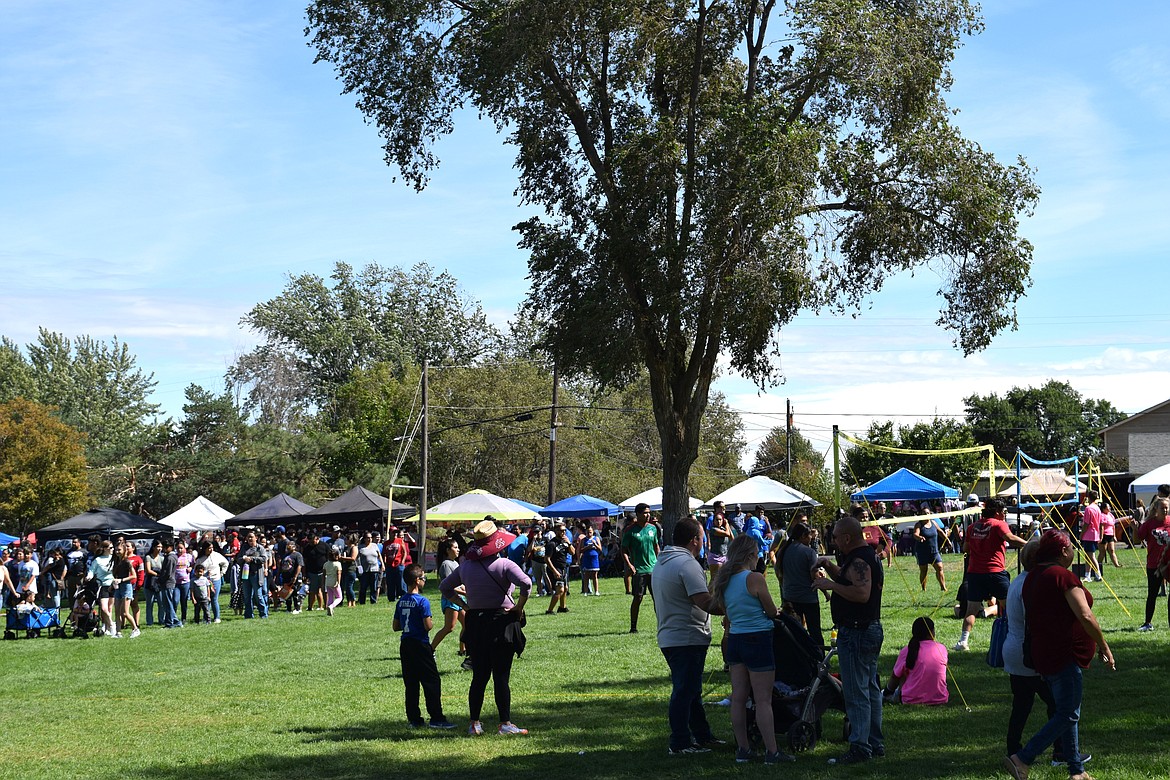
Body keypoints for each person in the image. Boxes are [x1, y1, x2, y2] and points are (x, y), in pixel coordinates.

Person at [1003, 529, 1115, 780]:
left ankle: (1077, 771)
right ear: (1064, 551)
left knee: (1066, 709)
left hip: (1042, 652)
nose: (1074, 552)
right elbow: (1085, 615)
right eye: (1072, 548)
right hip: (1063, 653)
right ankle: (1023, 758)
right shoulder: (1061, 576)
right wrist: (1104, 646)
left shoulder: (1033, 577)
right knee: (1068, 713)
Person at [439, 518, 531, 737]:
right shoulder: (505, 564)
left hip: (477, 622)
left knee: (479, 677)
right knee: (501, 676)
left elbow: (445, 587)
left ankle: (474, 723)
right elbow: (526, 584)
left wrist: (465, 606)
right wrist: (519, 607)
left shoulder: (466, 566)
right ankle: (505, 723)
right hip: (501, 622)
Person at [710, 534, 794, 765]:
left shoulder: (724, 580)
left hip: (735, 640)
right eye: (757, 552)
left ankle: (743, 749)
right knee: (763, 699)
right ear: (750, 555)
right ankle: (772, 751)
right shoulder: (754, 578)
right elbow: (769, 610)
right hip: (757, 639)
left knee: (738, 697)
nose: (759, 556)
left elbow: (728, 612)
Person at [814, 512, 885, 765]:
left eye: (834, 537)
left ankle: (860, 746)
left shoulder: (859, 560)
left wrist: (830, 586)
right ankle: (875, 743)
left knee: (856, 693)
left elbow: (861, 593)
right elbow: (850, 581)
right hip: (869, 629)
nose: (832, 541)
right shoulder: (865, 557)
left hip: (857, 632)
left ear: (846, 537)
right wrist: (831, 568)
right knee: (871, 689)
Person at [653, 515, 725, 756]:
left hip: (671, 634)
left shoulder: (663, 561)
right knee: (685, 691)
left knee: (692, 691)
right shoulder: (687, 564)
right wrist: (735, 607)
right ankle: (680, 742)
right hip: (686, 636)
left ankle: (702, 735)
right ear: (695, 540)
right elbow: (705, 602)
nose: (705, 542)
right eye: (703, 538)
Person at [1002, 539, 1074, 766]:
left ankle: (1013, 749)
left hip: (1014, 651)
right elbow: (1034, 622)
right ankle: (1060, 752)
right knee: (1059, 706)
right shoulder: (1031, 585)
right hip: (1028, 653)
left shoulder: (1017, 581)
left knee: (1021, 706)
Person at [955, 499, 1026, 652]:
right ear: (997, 512)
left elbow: (965, 548)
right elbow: (1010, 538)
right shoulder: (999, 524)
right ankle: (1022, 638)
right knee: (1011, 608)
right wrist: (1030, 544)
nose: (1004, 514)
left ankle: (963, 642)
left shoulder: (972, 527)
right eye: (1003, 512)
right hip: (995, 573)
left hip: (975, 574)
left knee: (971, 610)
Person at [394, 563, 457, 730]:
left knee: (411, 683)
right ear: (416, 580)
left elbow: (395, 626)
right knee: (431, 681)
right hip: (420, 644)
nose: (424, 581)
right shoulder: (422, 601)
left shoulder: (401, 601)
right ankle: (437, 717)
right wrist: (427, 622)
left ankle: (414, 719)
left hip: (405, 643)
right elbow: (428, 626)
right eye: (423, 578)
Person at [775, 522, 824, 647]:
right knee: (814, 632)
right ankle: (820, 660)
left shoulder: (783, 551)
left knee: (794, 631)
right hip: (808, 598)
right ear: (803, 536)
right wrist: (825, 587)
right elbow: (814, 575)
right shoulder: (809, 552)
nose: (810, 540)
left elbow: (778, 571)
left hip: (790, 597)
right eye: (809, 537)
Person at [883, 616, 947, 705]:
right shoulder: (942, 648)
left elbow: (895, 676)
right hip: (940, 698)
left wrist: (887, 691)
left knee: (902, 673)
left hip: (910, 700)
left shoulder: (907, 651)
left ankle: (888, 694)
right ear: (932, 632)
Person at [622, 503, 660, 634]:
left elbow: (656, 547)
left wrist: (659, 562)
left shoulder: (653, 528)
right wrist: (630, 565)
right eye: (645, 512)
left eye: (649, 512)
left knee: (657, 598)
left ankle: (661, 625)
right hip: (639, 570)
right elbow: (624, 550)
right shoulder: (630, 531)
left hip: (654, 569)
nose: (648, 515)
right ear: (638, 514)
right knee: (638, 598)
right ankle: (633, 626)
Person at [1135, 497, 1170, 631]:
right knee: (1152, 594)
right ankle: (1147, 623)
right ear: (1156, 509)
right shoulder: (1149, 524)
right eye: (1163, 508)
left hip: (1169, 564)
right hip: (1154, 565)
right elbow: (1138, 539)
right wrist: (1134, 528)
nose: (1165, 510)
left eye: (1167, 508)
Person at [431, 538, 466, 656]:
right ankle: (430, 649)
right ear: (448, 550)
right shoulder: (446, 564)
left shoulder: (455, 563)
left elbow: (459, 582)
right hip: (450, 599)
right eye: (455, 547)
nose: (458, 550)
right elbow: (447, 586)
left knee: (467, 625)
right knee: (449, 627)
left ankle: (463, 650)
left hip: (460, 598)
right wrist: (464, 592)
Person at [87, 540, 117, 637]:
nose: (113, 550)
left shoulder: (114, 558)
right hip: (102, 585)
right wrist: (89, 576)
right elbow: (91, 570)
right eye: (110, 548)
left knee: (109, 608)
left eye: (113, 547)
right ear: (104, 548)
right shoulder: (98, 560)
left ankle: (107, 627)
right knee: (104, 608)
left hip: (112, 585)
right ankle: (112, 624)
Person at [237, 531, 269, 619]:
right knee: (247, 596)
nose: (250, 539)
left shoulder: (260, 548)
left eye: (252, 537)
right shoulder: (244, 548)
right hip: (245, 574)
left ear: (256, 538)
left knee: (258, 596)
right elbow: (238, 559)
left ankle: (263, 614)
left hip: (256, 575)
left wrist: (252, 559)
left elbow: (264, 558)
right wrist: (243, 559)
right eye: (248, 537)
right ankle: (248, 615)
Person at [195, 541, 229, 624]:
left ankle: (217, 617)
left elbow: (225, 563)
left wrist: (221, 573)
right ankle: (206, 617)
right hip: (204, 581)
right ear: (205, 549)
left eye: (212, 548)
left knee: (214, 599)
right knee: (206, 599)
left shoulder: (216, 555)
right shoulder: (200, 559)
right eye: (209, 548)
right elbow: (196, 568)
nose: (211, 550)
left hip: (216, 579)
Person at [112, 542, 140, 638]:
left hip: (126, 587)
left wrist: (121, 580)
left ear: (124, 550)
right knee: (117, 612)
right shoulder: (116, 561)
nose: (117, 552)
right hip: (118, 587)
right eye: (116, 550)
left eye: (119, 550)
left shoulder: (127, 562)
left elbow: (134, 575)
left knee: (125, 612)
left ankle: (135, 629)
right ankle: (118, 632)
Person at [913, 511, 947, 592]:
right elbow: (915, 534)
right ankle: (923, 589)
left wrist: (947, 541)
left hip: (934, 551)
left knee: (939, 568)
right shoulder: (919, 525)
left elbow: (940, 532)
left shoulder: (933, 522)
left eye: (927, 513)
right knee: (924, 571)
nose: (926, 515)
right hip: (922, 552)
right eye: (924, 513)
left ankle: (943, 587)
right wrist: (919, 537)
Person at [544, 520, 571, 615]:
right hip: (555, 569)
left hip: (563, 568)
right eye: (561, 530)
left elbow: (573, 552)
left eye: (564, 530)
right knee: (560, 589)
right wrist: (554, 571)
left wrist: (569, 543)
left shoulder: (564, 542)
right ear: (556, 531)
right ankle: (549, 610)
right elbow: (547, 559)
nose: (563, 532)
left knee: (565, 588)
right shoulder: (552, 544)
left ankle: (562, 607)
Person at [302, 531, 331, 611]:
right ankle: (310, 607)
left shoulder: (325, 546)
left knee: (324, 590)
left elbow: (329, 558)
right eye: (309, 541)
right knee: (312, 590)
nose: (311, 543)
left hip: (324, 571)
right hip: (312, 572)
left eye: (312, 541)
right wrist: (304, 573)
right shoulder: (307, 548)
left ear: (317, 538)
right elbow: (305, 561)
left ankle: (326, 606)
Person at [1079, 491, 1104, 582]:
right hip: (1095, 534)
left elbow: (1086, 523)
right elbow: (1101, 523)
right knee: (1088, 556)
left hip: (1089, 534)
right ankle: (1087, 575)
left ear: (1088, 497)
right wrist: (1101, 535)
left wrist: (1081, 534)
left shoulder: (1088, 509)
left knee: (1091, 555)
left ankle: (1098, 574)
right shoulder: (1097, 508)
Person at [706, 501, 733, 582]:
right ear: (716, 508)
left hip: (724, 554)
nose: (723, 509)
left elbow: (731, 536)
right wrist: (708, 543)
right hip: (715, 554)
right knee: (715, 579)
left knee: (724, 579)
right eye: (722, 507)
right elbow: (708, 531)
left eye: (724, 507)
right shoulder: (711, 519)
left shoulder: (724, 521)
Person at [577, 522, 603, 596]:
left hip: (594, 558)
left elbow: (600, 549)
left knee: (595, 575)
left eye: (590, 532)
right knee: (586, 576)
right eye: (587, 532)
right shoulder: (583, 540)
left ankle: (596, 591)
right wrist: (587, 548)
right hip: (586, 558)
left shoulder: (596, 538)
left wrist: (595, 544)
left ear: (593, 532)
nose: (589, 533)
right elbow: (581, 550)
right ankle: (586, 591)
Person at [279, 540, 305, 613]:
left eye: (289, 545)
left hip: (294, 577)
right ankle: (288, 608)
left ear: (294, 547)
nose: (288, 546)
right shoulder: (285, 555)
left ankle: (297, 608)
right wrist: (278, 575)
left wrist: (295, 576)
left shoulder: (297, 555)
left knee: (295, 593)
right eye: (287, 545)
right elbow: (281, 566)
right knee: (287, 594)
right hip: (286, 577)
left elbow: (299, 566)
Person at [357, 533, 382, 605]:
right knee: (363, 587)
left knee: (374, 586)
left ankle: (373, 600)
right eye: (368, 538)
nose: (369, 539)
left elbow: (379, 556)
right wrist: (359, 567)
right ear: (364, 539)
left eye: (370, 537)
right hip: (365, 570)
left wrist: (382, 564)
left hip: (374, 569)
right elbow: (357, 558)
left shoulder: (374, 546)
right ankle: (362, 601)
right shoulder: (361, 547)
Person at [1098, 502, 1121, 571]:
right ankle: (1098, 564)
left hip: (1110, 535)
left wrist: (1114, 536)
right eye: (1108, 507)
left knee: (1112, 550)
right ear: (1104, 509)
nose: (1110, 508)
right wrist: (1101, 537)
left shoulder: (1110, 515)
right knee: (1102, 551)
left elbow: (1113, 526)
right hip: (1104, 535)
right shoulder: (1102, 515)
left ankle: (1117, 565)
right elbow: (1101, 527)